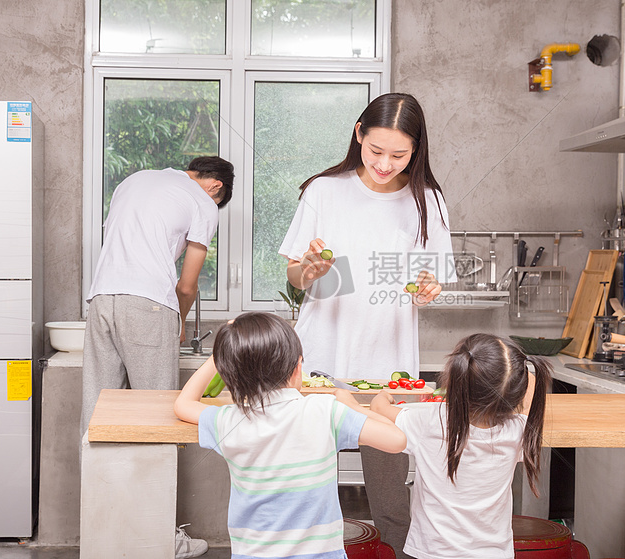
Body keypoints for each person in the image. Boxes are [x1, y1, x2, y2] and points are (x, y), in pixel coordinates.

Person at [278, 92, 455, 557]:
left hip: (390, 373)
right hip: (318, 364)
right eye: (376, 150)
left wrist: (428, 288)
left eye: (399, 155)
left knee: (392, 496)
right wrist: (309, 271)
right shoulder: (324, 191)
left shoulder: (427, 201)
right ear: (358, 133)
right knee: (309, 487)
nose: (384, 163)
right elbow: (296, 274)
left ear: (417, 149)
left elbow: (432, 282)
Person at [81, 155, 233, 559]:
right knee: (160, 421)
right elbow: (187, 284)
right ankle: (160, 539)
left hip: (101, 301)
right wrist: (178, 321)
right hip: (148, 306)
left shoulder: (134, 179)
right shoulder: (203, 203)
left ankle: (101, 533)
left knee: (98, 417)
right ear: (216, 187)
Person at [174, 312, 407, 559]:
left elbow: (183, 404)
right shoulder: (325, 410)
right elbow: (397, 440)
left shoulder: (230, 420)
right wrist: (355, 406)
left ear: (230, 374)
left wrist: (219, 354)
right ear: (298, 367)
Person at [370, 333, 552, 559]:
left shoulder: (430, 422)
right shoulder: (519, 430)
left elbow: (378, 410)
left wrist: (384, 395)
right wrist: (521, 370)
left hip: (433, 553)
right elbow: (530, 391)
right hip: (493, 554)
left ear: (455, 381)